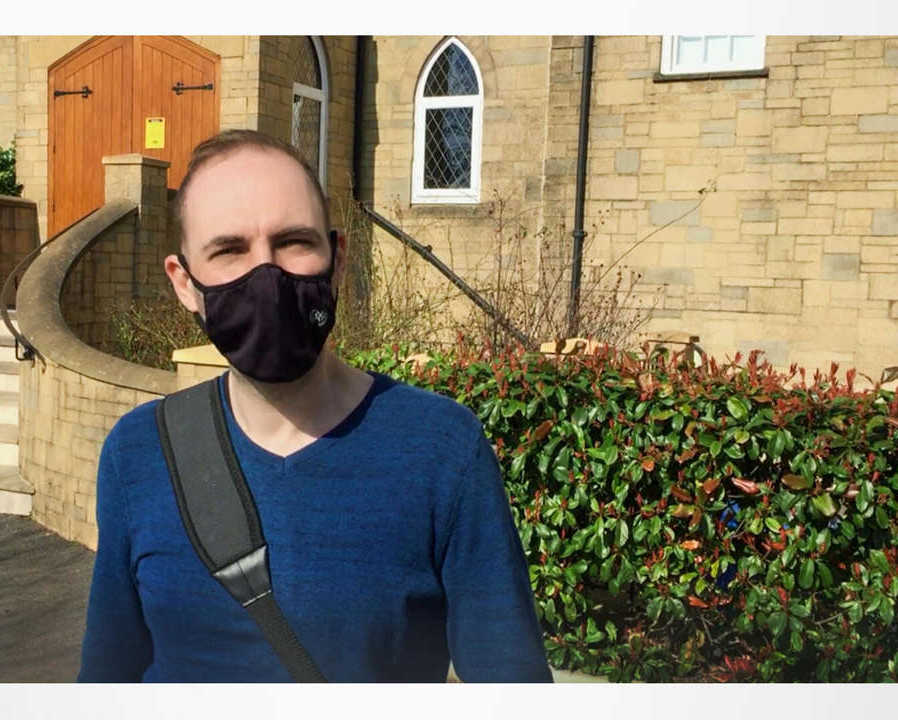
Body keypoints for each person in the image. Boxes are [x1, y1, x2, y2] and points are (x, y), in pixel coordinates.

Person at [76, 129, 551, 683]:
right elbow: (107, 677)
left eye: (294, 242)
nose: (266, 274)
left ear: (337, 259)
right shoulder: (139, 452)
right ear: (184, 284)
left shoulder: (441, 450)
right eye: (229, 250)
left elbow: (511, 684)